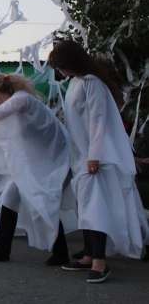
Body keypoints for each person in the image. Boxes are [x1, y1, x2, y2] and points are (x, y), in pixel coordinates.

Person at [48, 40, 149, 283]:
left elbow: (98, 120)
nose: (59, 71)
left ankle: (99, 262)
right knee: (86, 208)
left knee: (95, 210)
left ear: (72, 62)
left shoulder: (92, 84)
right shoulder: (76, 83)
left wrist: (94, 155)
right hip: (82, 157)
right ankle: (89, 256)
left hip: (94, 159)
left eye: (61, 65)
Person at [0, 73, 72, 266]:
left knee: (42, 203)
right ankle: (2, 249)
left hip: (42, 166)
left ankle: (61, 252)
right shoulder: (7, 111)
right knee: (8, 199)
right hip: (29, 167)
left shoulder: (21, 99)